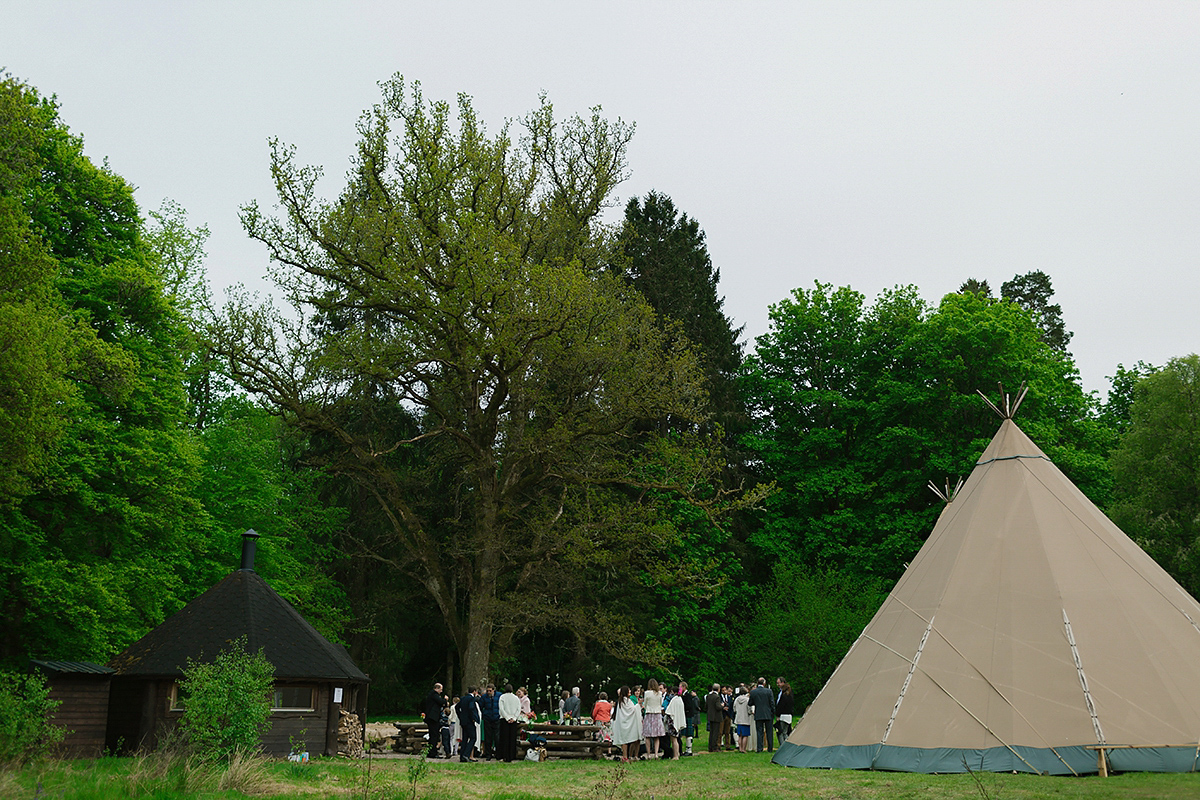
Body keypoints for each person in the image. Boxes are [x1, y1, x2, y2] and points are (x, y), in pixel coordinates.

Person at [610, 686, 642, 762]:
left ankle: (625, 756)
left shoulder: (621, 701)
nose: (630, 692)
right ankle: (625, 757)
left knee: (623, 740)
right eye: (629, 691)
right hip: (626, 722)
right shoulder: (627, 701)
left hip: (622, 722)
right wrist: (638, 705)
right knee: (625, 740)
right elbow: (632, 710)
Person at [748, 677, 776, 752]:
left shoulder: (753, 692)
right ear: (764, 683)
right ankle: (770, 748)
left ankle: (759, 748)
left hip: (758, 713)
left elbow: (750, 703)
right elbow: (772, 703)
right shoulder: (769, 691)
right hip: (768, 714)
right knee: (769, 732)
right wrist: (773, 712)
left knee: (759, 732)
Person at [641, 678, 665, 759]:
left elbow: (645, 703)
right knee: (656, 736)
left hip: (649, 714)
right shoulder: (659, 693)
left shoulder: (647, 693)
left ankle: (648, 754)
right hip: (657, 714)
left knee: (647, 736)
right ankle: (656, 754)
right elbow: (661, 703)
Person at [498, 683, 522, 762]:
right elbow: (519, 709)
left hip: (504, 720)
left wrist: (507, 718)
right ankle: (511, 755)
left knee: (504, 738)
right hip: (513, 720)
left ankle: (504, 755)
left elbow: (501, 709)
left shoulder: (502, 697)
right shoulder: (516, 698)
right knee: (512, 738)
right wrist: (514, 718)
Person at [421, 682, 445, 758]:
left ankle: (431, 751)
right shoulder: (434, 695)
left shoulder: (431, 695)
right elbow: (441, 702)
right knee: (434, 735)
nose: (441, 691)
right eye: (441, 689)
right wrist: (445, 699)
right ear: (436, 688)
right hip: (433, 718)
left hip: (432, 718)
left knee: (433, 735)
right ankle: (433, 752)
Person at [456, 688, 480, 762]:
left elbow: (457, 707)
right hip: (469, 721)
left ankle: (462, 756)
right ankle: (466, 754)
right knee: (473, 738)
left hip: (463, 721)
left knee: (465, 739)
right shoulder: (471, 699)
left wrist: (461, 716)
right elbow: (471, 708)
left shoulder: (463, 698)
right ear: (474, 691)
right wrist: (474, 718)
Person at [479, 684, 500, 760]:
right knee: (488, 738)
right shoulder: (484, 697)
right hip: (488, 718)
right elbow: (480, 706)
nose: (488, 692)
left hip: (496, 717)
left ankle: (498, 754)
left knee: (497, 737)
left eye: (490, 691)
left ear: (493, 690)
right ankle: (488, 754)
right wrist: (484, 715)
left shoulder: (499, 696)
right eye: (487, 691)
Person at [665, 687, 687, 759]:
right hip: (677, 721)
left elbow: (669, 711)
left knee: (674, 740)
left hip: (673, 722)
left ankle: (675, 755)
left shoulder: (674, 700)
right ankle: (677, 753)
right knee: (676, 739)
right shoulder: (680, 700)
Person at [681, 682, 699, 756]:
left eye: (680, 687)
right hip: (685, 715)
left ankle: (689, 750)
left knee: (689, 733)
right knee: (684, 733)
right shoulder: (684, 695)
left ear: (684, 687)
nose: (679, 689)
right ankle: (686, 750)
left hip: (687, 715)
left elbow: (688, 706)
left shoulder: (687, 695)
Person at [733, 685, 753, 753]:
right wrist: (750, 712)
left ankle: (740, 748)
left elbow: (734, 708)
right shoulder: (747, 699)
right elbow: (749, 709)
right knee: (745, 735)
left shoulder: (737, 699)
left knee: (740, 735)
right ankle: (744, 749)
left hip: (738, 719)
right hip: (745, 719)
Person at [705, 683, 724, 752]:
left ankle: (710, 746)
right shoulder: (717, 697)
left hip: (710, 716)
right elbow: (718, 707)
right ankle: (714, 747)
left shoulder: (708, 696)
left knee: (711, 732)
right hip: (716, 716)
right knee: (716, 732)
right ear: (718, 689)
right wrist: (722, 705)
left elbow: (706, 706)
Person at [721, 685, 735, 750]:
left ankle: (728, 745)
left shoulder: (729, 698)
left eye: (725, 690)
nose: (724, 691)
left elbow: (732, 707)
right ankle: (719, 745)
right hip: (722, 715)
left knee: (728, 732)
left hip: (728, 715)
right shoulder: (719, 697)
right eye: (723, 690)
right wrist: (722, 708)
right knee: (720, 731)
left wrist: (731, 715)